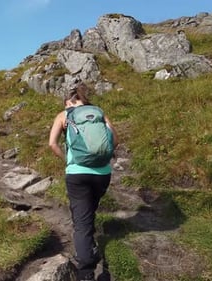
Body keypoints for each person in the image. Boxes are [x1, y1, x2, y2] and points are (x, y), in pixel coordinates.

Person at [48, 83, 118, 281]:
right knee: (89, 211)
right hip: (103, 173)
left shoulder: (64, 115)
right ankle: (90, 243)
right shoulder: (98, 112)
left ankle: (86, 271)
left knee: (81, 223)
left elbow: (52, 144)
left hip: (77, 173)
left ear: (67, 101)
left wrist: (68, 160)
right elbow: (116, 140)